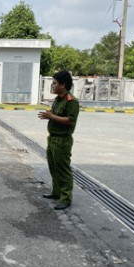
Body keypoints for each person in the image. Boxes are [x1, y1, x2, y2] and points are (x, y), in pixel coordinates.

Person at [38, 70, 79, 211]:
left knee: (63, 169)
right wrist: (50, 115)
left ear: (63, 84)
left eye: (55, 83)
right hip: (53, 138)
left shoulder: (71, 101)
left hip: (63, 140)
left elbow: (70, 121)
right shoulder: (58, 99)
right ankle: (56, 193)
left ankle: (66, 198)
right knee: (53, 167)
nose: (52, 85)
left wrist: (52, 117)